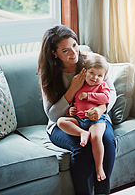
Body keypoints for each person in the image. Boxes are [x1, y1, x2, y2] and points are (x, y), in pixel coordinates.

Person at [37, 25, 116, 195]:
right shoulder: (48, 75)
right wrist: (72, 89)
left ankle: (103, 192)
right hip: (65, 123)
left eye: (74, 45)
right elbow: (51, 114)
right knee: (82, 148)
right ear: (54, 53)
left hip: (95, 118)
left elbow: (112, 93)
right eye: (65, 50)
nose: (73, 52)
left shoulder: (90, 62)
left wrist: (101, 108)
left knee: (107, 142)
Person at [57, 52, 110, 182]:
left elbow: (106, 98)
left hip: (96, 120)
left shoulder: (101, 86)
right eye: (92, 73)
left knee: (97, 137)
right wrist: (71, 110)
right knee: (61, 121)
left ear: (104, 77)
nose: (94, 77)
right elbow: (75, 103)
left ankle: (99, 168)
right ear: (85, 71)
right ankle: (82, 133)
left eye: (99, 75)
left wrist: (89, 96)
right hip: (79, 119)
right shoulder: (79, 85)